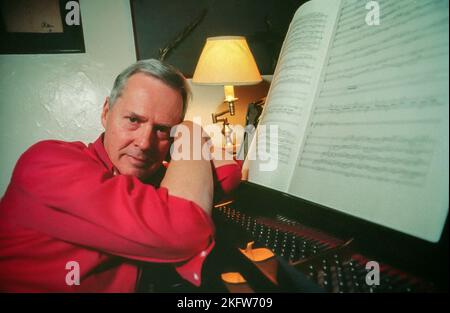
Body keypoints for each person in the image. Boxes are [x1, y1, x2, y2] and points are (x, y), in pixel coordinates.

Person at [0, 59, 242, 292]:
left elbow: (228, 174)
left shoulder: (149, 180)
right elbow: (185, 233)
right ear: (106, 112)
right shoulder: (47, 163)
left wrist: (184, 137)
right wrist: (191, 131)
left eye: (161, 130)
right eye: (134, 120)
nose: (145, 143)